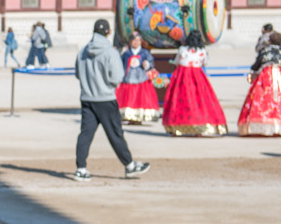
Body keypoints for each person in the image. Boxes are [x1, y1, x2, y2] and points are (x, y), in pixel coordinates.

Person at [73, 19, 150, 182]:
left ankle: (81, 169)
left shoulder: (83, 51)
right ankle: (129, 165)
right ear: (108, 32)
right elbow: (117, 77)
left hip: (87, 98)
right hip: (106, 98)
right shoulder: (110, 52)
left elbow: (78, 74)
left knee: (85, 134)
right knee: (115, 134)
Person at [162, 30, 228, 137]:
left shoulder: (182, 49)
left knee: (180, 100)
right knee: (200, 100)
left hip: (183, 76)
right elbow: (205, 62)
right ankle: (200, 128)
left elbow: (177, 61)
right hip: (197, 76)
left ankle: (177, 127)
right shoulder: (202, 51)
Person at [237, 32, 281, 137]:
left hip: (266, 76)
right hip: (280, 75)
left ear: (270, 40)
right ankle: (280, 126)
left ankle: (261, 125)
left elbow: (256, 65)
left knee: (263, 98)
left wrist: (253, 71)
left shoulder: (265, 51)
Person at [116, 34, 161, 124]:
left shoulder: (145, 53)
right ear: (130, 42)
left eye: (138, 40)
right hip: (128, 79)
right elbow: (120, 65)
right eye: (134, 40)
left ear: (141, 42)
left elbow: (151, 64)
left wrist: (147, 64)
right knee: (128, 99)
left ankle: (139, 118)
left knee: (141, 99)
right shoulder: (126, 53)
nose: (136, 42)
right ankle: (129, 117)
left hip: (141, 79)